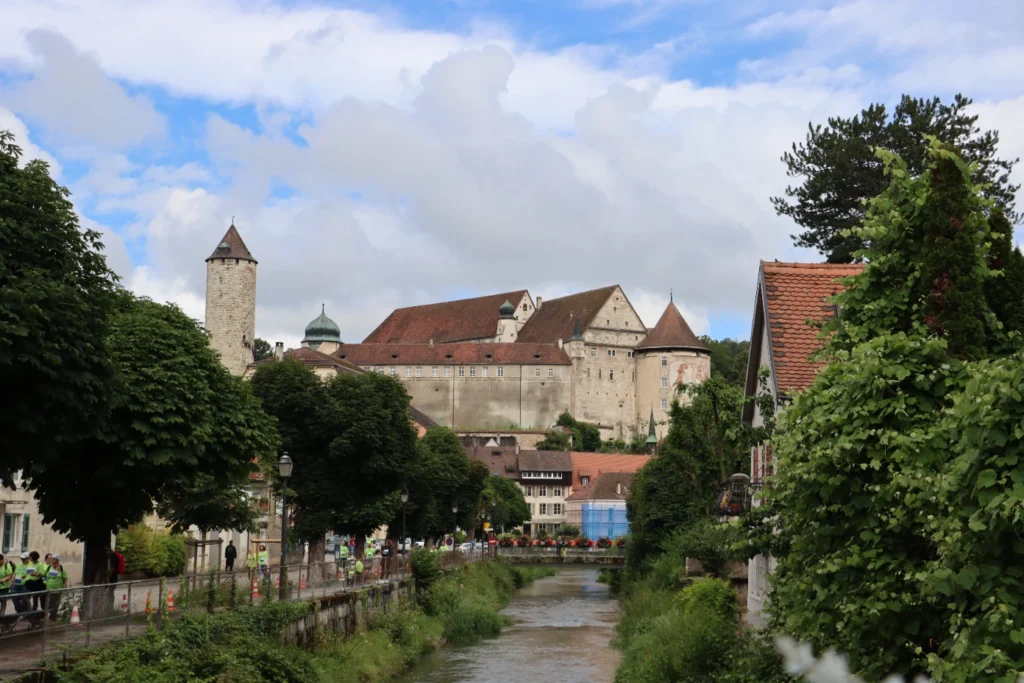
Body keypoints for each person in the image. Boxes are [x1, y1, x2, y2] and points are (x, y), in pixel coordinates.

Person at [43, 555, 67, 621]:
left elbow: (65, 577)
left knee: (55, 603)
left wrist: (64, 585)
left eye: (54, 559)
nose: (52, 560)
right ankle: (51, 616)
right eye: (52, 559)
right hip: (49, 589)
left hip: (57, 589)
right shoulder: (48, 568)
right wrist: (45, 582)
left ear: (57, 560)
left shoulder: (61, 568)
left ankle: (53, 617)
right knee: (49, 603)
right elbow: (44, 576)